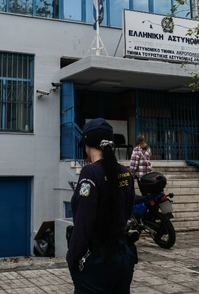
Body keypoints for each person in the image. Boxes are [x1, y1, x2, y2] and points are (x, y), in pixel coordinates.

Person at [66, 118, 137, 294]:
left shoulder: (90, 173)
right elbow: (128, 211)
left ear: (87, 144)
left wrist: (72, 257)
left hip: (98, 262)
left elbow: (84, 222)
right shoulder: (126, 173)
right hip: (123, 257)